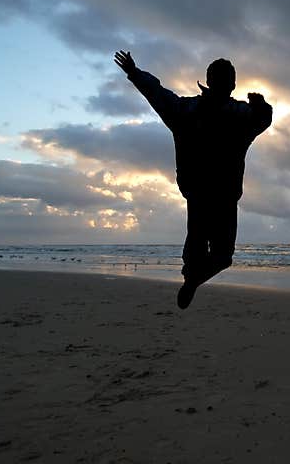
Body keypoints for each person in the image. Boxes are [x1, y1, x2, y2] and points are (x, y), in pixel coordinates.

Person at [114, 50, 273, 309]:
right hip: (221, 195)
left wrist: (134, 72)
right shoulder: (238, 115)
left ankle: (191, 278)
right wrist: (260, 104)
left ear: (209, 82)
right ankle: (192, 278)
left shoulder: (187, 110)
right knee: (221, 257)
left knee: (199, 250)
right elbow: (264, 119)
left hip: (199, 193)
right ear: (232, 84)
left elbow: (157, 93)